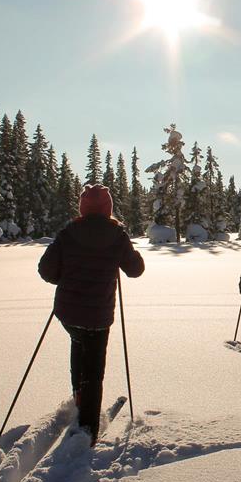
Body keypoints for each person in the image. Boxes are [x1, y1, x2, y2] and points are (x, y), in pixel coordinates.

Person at [38, 184, 144, 445]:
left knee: (78, 344)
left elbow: (46, 269)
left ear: (83, 207)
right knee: (94, 369)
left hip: (69, 313)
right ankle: (87, 428)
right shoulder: (116, 234)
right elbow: (135, 269)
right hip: (98, 316)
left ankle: (79, 395)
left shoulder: (69, 232)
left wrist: (66, 275)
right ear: (107, 208)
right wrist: (129, 252)